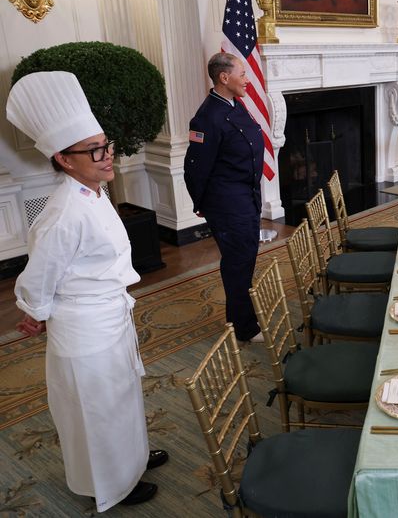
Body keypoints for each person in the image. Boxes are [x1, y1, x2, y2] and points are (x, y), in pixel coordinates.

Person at [6, 71, 168, 512]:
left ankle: (131, 460)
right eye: (95, 150)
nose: (107, 156)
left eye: (107, 145)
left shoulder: (92, 192)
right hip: (84, 329)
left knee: (123, 396)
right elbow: (39, 276)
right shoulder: (63, 213)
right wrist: (35, 311)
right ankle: (111, 484)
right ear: (64, 159)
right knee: (97, 411)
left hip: (109, 317)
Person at [184, 52, 264, 343]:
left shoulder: (235, 105)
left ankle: (240, 317)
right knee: (238, 262)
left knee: (244, 260)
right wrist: (201, 203)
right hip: (227, 204)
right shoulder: (206, 118)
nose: (247, 79)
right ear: (224, 77)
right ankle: (244, 327)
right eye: (242, 74)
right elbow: (194, 168)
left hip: (246, 196)